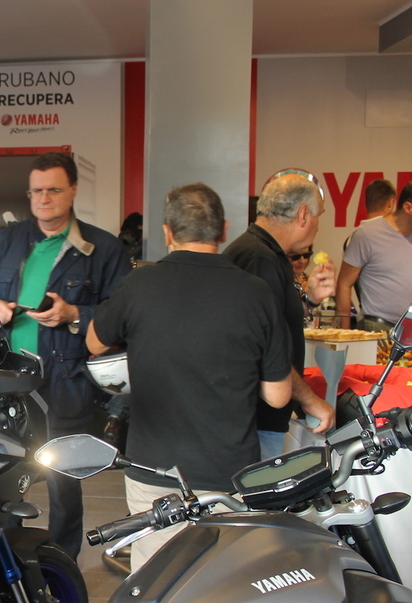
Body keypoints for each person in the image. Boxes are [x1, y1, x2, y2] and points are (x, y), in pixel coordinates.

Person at [87, 183, 293, 569]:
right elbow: (279, 396)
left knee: (156, 580)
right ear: (224, 230)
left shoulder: (138, 285)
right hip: (229, 474)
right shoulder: (257, 293)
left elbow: (95, 342)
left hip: (154, 471)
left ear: (167, 233)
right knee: (221, 580)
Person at [0, 151, 130, 559]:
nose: (44, 198)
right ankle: (8, 566)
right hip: (6, 382)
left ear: (73, 190)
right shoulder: (4, 243)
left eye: (54, 190)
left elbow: (121, 317)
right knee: (5, 481)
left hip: (64, 382)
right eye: (37, 191)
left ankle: (62, 566)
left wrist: (74, 314)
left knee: (63, 481)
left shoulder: (104, 249)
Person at [224, 171, 335, 459]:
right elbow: (265, 348)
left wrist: (309, 301)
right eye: (319, 216)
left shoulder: (263, 253)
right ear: (303, 215)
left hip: (257, 419)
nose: (318, 226)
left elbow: (273, 324)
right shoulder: (259, 258)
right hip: (254, 422)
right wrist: (310, 399)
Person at [336, 182, 412, 332]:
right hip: (378, 328)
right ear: (408, 208)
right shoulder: (367, 234)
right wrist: (344, 332)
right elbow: (344, 283)